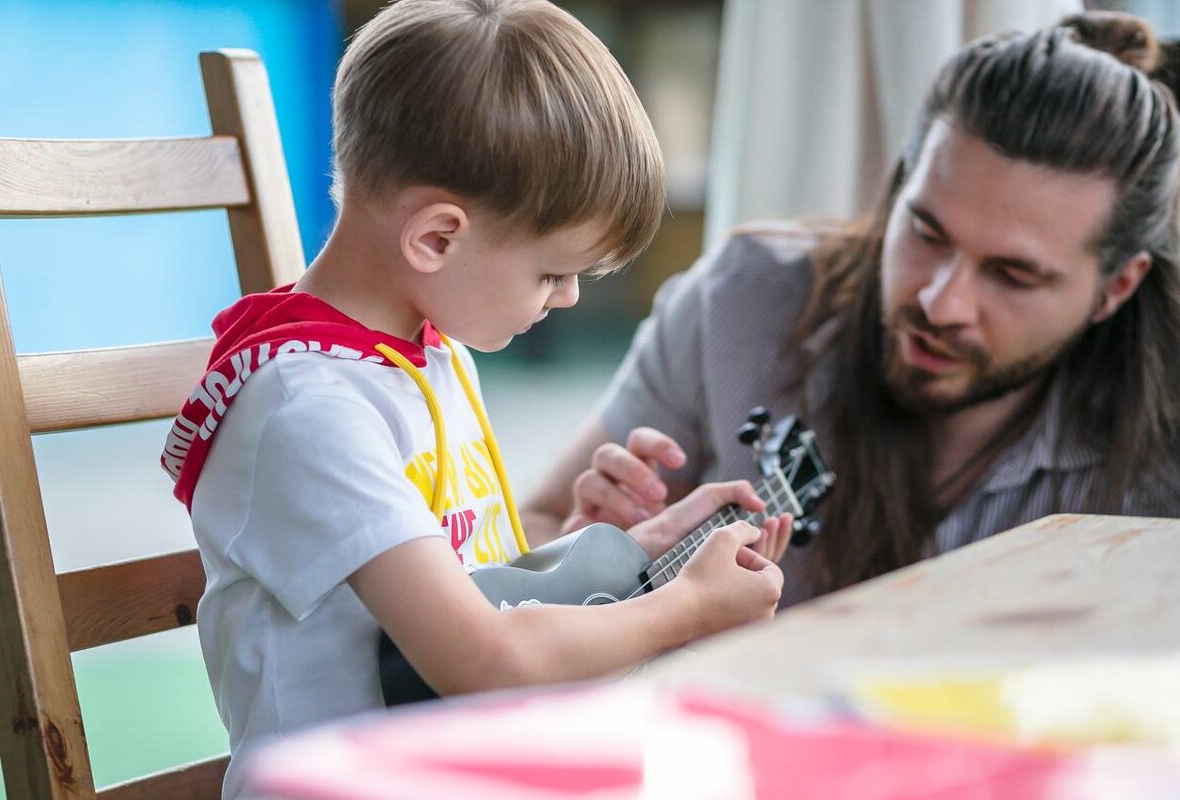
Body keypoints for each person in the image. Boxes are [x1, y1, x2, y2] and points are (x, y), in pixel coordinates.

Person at [160, 1, 789, 795]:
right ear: (436, 238)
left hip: (454, 767)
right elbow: (485, 661)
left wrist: (637, 553)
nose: (562, 299)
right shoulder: (307, 408)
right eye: (552, 273)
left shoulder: (424, 350)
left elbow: (473, 589)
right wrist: (687, 610)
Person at [523, 11, 1180, 608]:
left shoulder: (1163, 441)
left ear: (1117, 287)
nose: (939, 301)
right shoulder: (742, 301)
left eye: (1012, 275)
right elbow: (536, 524)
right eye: (926, 231)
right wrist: (588, 561)